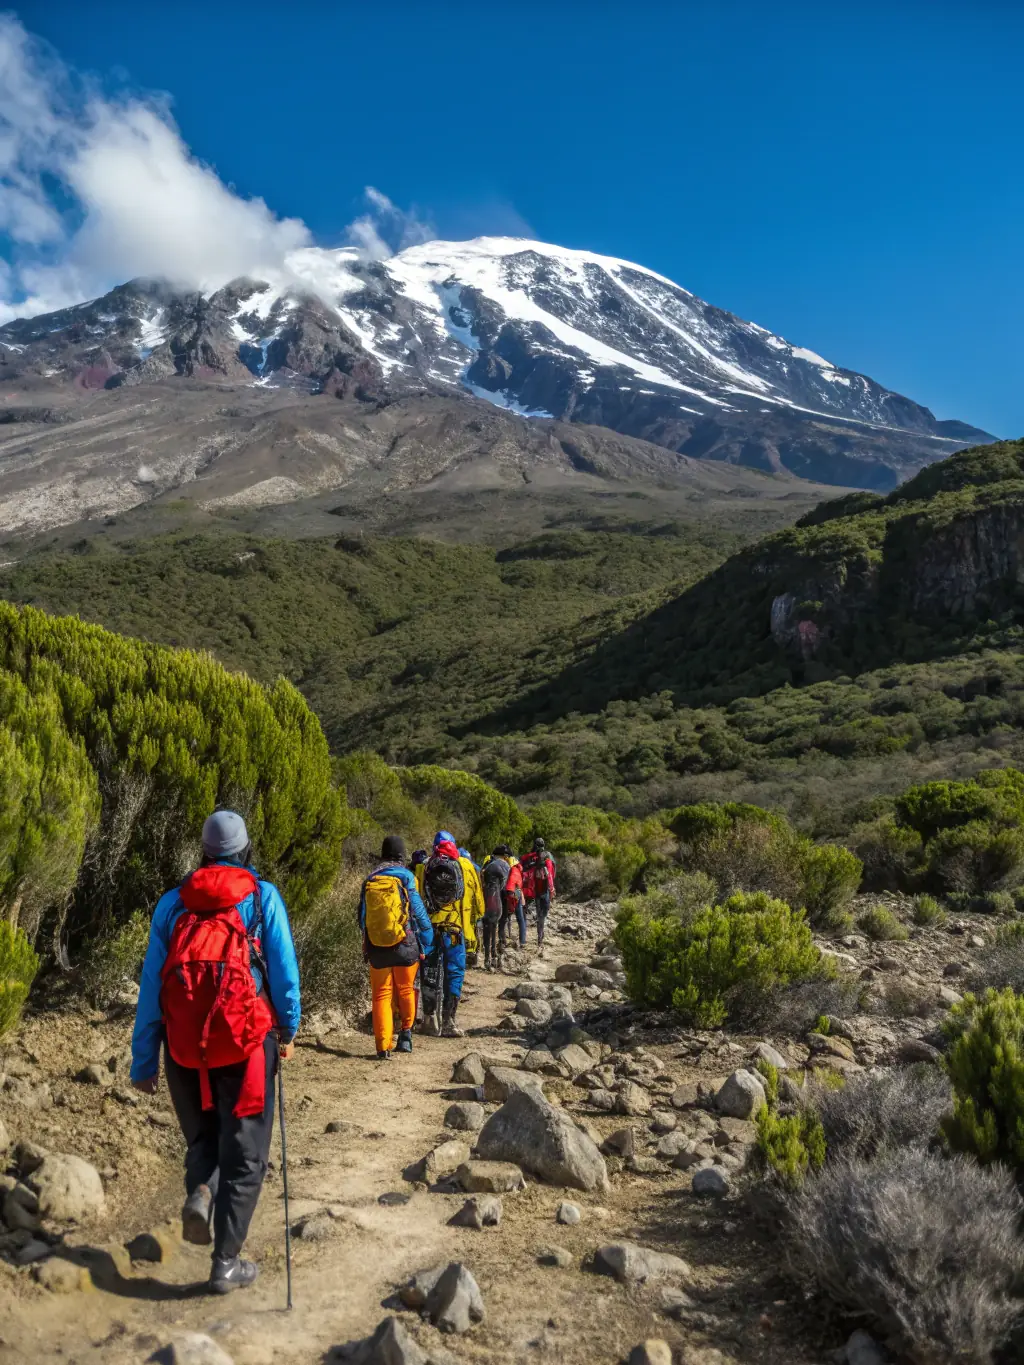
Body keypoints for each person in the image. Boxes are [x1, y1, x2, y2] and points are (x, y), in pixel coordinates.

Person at [130, 810, 300, 1295]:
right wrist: (287, 1028)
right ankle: (225, 1263)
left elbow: (151, 991)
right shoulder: (262, 899)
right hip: (246, 1046)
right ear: (246, 850)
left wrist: (144, 1063)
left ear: (202, 851)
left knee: (204, 1140)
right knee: (246, 1153)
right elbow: (285, 974)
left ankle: (202, 1191)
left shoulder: (171, 905)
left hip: (183, 1050)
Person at [358, 835, 434, 1060]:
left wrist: (367, 941)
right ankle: (406, 1036)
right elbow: (418, 911)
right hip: (405, 944)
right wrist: (427, 940)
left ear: (382, 854)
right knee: (405, 989)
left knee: (381, 994)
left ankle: (382, 1047)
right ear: (402, 855)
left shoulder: (370, 879)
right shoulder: (407, 876)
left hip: (377, 946)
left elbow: (362, 917)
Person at [415, 830, 484, 1037]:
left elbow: (416, 898)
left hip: (429, 929)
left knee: (429, 972)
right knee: (454, 972)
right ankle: (449, 1022)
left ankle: (428, 1021)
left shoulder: (423, 866)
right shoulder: (466, 866)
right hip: (454, 929)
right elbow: (478, 904)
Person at [520, 836, 557, 951]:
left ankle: (529, 937)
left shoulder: (530, 857)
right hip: (545, 890)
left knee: (536, 912)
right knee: (542, 915)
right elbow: (551, 875)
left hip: (534, 890)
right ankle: (540, 937)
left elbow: (522, 865)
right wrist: (552, 889)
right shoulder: (548, 858)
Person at [480, 847, 511, 971]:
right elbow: (505, 884)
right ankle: (492, 957)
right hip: (498, 900)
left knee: (488, 928)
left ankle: (488, 957)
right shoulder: (504, 866)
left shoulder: (490, 865)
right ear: (504, 856)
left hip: (488, 899)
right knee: (493, 927)